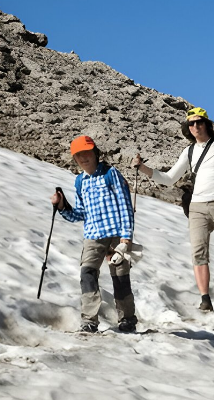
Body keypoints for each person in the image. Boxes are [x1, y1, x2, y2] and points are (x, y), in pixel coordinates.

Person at [131, 107, 214, 312]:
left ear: (206, 124)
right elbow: (170, 178)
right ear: (187, 127)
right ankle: (205, 299)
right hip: (197, 206)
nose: (195, 126)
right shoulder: (188, 151)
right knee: (198, 252)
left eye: (199, 122)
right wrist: (144, 168)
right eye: (191, 123)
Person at [51, 135, 138, 333]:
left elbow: (126, 206)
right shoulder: (80, 181)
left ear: (95, 153)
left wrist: (126, 237)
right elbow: (80, 213)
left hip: (117, 234)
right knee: (87, 273)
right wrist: (62, 205)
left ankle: (127, 319)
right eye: (79, 155)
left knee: (120, 276)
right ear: (75, 159)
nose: (83, 158)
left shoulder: (110, 173)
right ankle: (89, 320)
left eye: (87, 153)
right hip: (93, 235)